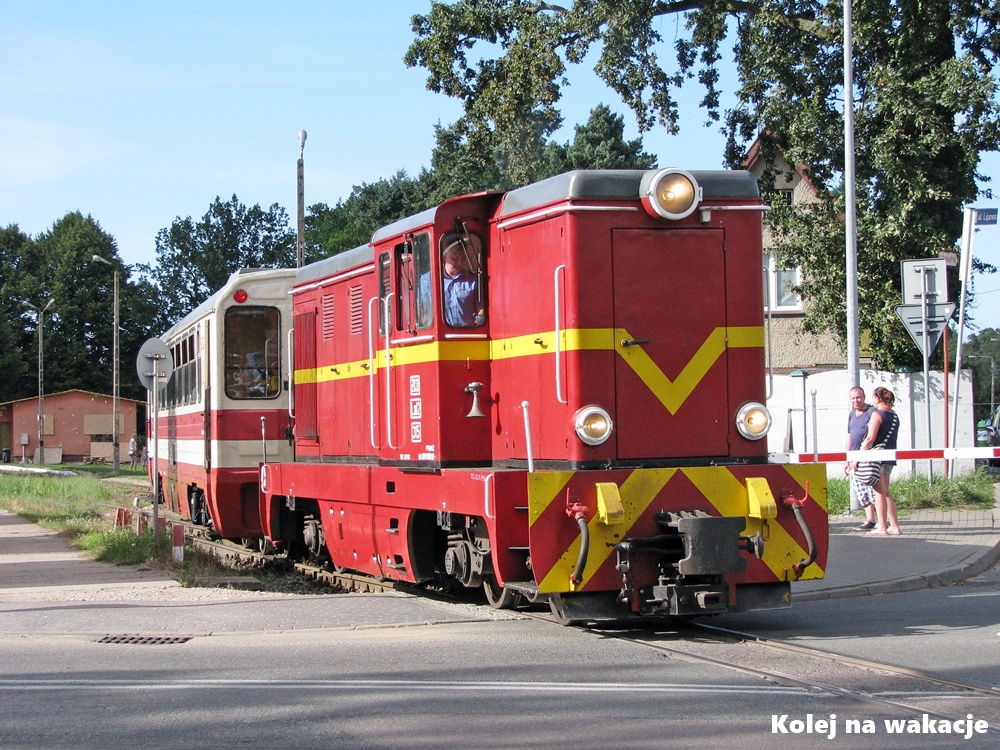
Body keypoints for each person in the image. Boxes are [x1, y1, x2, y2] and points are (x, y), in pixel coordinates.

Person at [860, 386, 901, 536]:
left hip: (877, 458)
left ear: (877, 398)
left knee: (879, 493)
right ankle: (894, 526)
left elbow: (870, 438)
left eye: (873, 397)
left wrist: (859, 456)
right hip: (889, 457)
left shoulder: (877, 414)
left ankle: (882, 527)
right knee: (886, 492)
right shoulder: (894, 415)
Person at [845, 387, 877, 530]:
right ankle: (870, 520)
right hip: (853, 458)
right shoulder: (851, 414)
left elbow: (871, 437)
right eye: (853, 398)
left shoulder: (871, 412)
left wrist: (860, 457)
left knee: (872, 490)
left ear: (864, 397)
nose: (856, 401)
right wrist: (847, 459)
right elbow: (849, 436)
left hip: (867, 457)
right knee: (860, 491)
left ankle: (882, 520)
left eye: (858, 397)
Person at [441, 241, 484, 327]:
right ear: (445, 257)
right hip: (442, 333)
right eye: (455, 258)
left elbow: (482, 308)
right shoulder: (428, 281)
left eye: (462, 259)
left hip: (466, 332)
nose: (459, 263)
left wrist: (478, 322)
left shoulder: (473, 281)